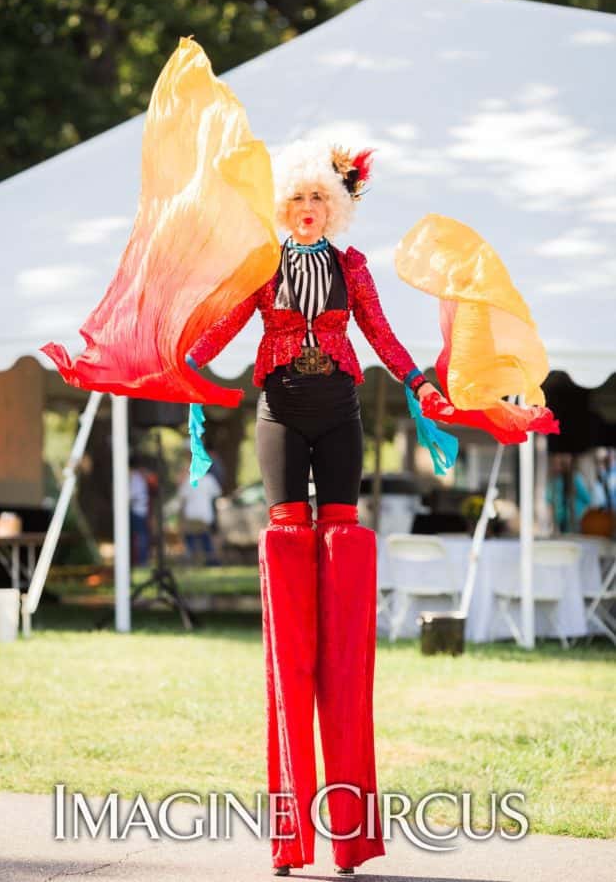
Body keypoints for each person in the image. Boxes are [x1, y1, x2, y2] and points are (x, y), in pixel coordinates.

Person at [188, 141, 441, 876]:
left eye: (320, 202)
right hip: (279, 412)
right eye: (299, 200)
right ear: (284, 208)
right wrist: (184, 359)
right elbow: (227, 326)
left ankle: (352, 835)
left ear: (335, 209)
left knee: (343, 545)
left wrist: (420, 384)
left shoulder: (351, 267)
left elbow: (383, 335)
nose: (308, 210)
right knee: (288, 552)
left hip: (339, 413)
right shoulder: (263, 264)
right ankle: (291, 833)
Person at [178, 462, 223, 566]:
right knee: (205, 540)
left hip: (191, 515)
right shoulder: (210, 480)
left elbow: (182, 498)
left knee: (192, 541)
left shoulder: (189, 480)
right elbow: (216, 494)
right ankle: (211, 561)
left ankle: (194, 561)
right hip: (205, 515)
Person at [129, 454, 151, 568]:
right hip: (140, 510)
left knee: (141, 536)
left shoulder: (135, 478)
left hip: (138, 510)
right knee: (140, 536)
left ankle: (142, 561)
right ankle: (139, 560)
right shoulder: (137, 477)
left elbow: (133, 495)